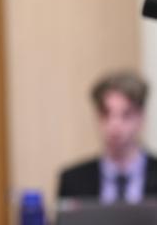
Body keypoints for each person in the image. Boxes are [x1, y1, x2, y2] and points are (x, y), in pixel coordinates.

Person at [58, 71, 157, 203]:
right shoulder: (73, 180)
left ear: (141, 118)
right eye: (106, 114)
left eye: (126, 114)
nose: (114, 125)